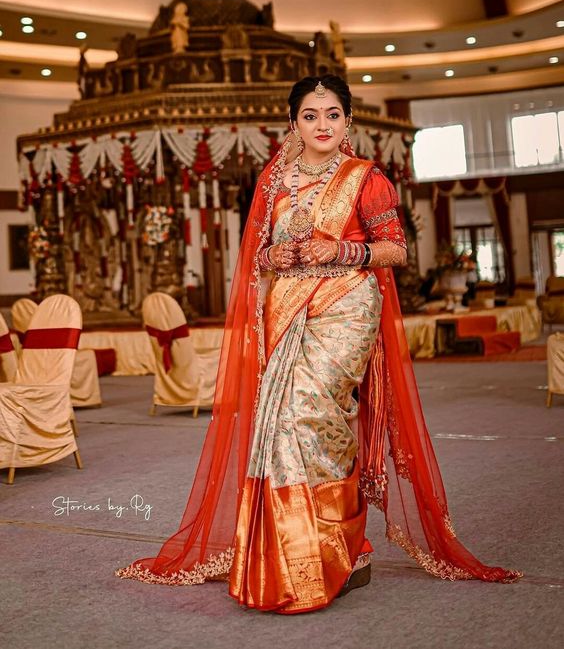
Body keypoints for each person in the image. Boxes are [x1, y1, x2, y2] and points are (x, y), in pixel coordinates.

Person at [117, 75, 521, 612]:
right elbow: (256, 256)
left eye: (332, 114)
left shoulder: (365, 178)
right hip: (286, 308)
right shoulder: (274, 180)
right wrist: (271, 259)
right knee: (286, 422)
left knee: (314, 414)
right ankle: (324, 551)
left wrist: (342, 250)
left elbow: (395, 250)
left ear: (348, 120)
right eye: (311, 115)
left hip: (348, 308)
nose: (322, 125)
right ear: (293, 123)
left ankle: (334, 546)